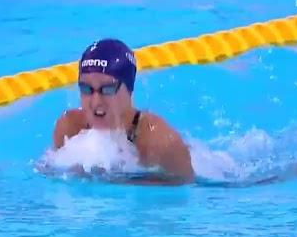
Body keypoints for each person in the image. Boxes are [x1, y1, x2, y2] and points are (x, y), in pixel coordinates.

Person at [52, 38, 195, 185]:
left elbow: (186, 189)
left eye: (107, 89)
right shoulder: (69, 128)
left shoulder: (159, 143)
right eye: (86, 89)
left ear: (129, 90)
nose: (95, 102)